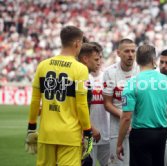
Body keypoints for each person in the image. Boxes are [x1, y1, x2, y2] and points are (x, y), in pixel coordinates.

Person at [25, 25, 93, 166]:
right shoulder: (81, 69)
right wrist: (87, 133)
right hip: (70, 134)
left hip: (46, 133)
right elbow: (82, 105)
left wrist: (31, 127)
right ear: (77, 43)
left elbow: (35, 100)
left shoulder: (43, 65)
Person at [117, 44, 167, 166]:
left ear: (137, 60)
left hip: (140, 134)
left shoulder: (132, 83)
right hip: (161, 134)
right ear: (153, 60)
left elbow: (126, 117)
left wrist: (119, 143)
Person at [102, 38, 139, 165]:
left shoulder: (141, 71)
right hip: (117, 129)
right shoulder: (109, 72)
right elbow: (107, 103)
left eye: (133, 51)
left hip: (138, 127)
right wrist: (124, 116)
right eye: (127, 51)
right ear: (118, 53)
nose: (130, 54)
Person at [77, 42, 103, 166]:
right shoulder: (80, 79)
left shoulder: (82, 77)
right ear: (86, 59)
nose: (99, 62)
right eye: (96, 59)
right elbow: (77, 108)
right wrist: (91, 129)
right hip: (75, 135)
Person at [89, 42, 111, 166]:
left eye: (100, 58)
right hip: (88, 135)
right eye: (95, 59)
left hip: (107, 135)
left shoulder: (107, 77)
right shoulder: (83, 78)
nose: (98, 62)